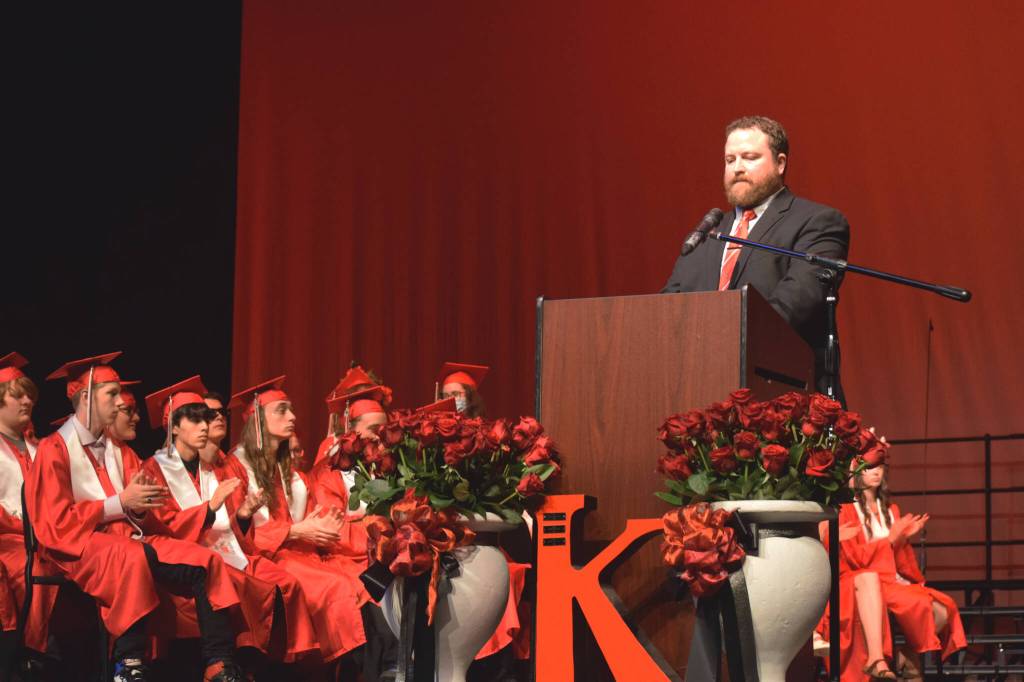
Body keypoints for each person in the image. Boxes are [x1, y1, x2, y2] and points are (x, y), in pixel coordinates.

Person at [27, 353, 246, 682]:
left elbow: (146, 514)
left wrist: (140, 507)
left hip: (129, 539)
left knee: (205, 561)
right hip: (76, 546)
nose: (120, 402)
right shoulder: (54, 449)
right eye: (111, 394)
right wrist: (119, 503)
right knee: (132, 557)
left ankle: (219, 664)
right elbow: (54, 522)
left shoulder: (121, 451)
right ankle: (129, 664)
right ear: (86, 397)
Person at [660, 116, 850, 400]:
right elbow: (668, 312)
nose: (737, 168)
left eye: (749, 158)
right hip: (698, 395)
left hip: (782, 398)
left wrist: (718, 346)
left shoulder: (817, 221)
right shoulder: (707, 233)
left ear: (780, 163)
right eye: (729, 159)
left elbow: (793, 304)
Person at [141, 376, 320, 665]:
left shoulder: (211, 469)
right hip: (184, 559)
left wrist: (244, 514)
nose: (204, 426)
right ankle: (238, 664)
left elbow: (231, 531)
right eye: (195, 420)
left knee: (285, 582)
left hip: (225, 550)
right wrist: (209, 509)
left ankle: (286, 665)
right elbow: (161, 527)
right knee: (254, 587)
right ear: (173, 426)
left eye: (206, 418)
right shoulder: (154, 468)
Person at [228, 376, 369, 667]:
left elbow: (311, 517)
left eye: (291, 409)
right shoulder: (236, 467)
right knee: (333, 586)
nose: (292, 416)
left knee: (354, 583)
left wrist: (325, 526)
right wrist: (295, 530)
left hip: (299, 552)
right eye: (281, 410)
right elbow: (241, 532)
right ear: (257, 419)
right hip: (262, 556)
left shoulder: (289, 472)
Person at [819, 454, 966, 680]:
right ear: (857, 472)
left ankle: (903, 655)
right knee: (915, 603)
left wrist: (902, 538)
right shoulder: (846, 509)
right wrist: (890, 539)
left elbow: (898, 560)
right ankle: (891, 660)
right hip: (861, 575)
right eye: (869, 468)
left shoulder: (891, 509)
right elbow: (854, 558)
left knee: (943, 609)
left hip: (890, 577)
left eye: (879, 467)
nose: (876, 472)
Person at [108, 379, 142, 444]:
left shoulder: (128, 453)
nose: (137, 418)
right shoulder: (85, 452)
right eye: (127, 410)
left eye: (136, 411)